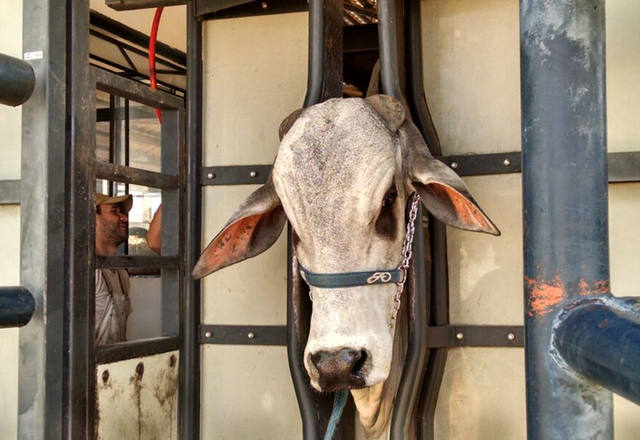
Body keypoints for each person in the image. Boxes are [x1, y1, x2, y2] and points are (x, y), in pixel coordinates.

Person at [95, 193, 133, 346]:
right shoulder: (86, 273)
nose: (124, 218)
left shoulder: (121, 274)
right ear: (93, 219)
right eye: (114, 211)